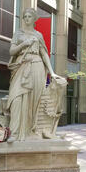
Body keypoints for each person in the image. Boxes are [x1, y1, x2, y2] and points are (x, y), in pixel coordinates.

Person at [7, 8, 62, 142]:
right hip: (22, 66)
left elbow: (44, 54)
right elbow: (11, 51)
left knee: (34, 101)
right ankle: (14, 132)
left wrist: (52, 73)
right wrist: (24, 44)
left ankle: (30, 130)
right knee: (16, 98)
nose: (26, 19)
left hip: (37, 66)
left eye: (29, 16)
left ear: (34, 19)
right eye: (24, 16)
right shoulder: (18, 33)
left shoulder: (38, 35)